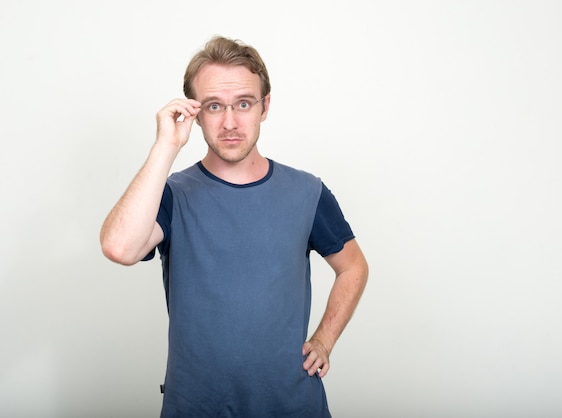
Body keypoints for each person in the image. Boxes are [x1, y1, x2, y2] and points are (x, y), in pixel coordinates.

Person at [100, 35, 368, 417]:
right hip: (197, 405)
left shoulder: (307, 192)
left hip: (290, 404)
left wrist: (324, 339)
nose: (229, 123)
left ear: (265, 106)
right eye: (213, 106)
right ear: (194, 112)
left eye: (243, 103)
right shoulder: (172, 195)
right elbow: (119, 248)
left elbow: (353, 266)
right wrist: (165, 146)